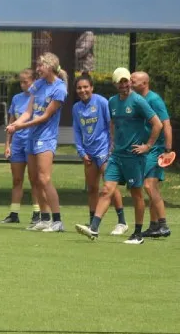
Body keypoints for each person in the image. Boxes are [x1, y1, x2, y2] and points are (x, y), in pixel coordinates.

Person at [75, 67, 162, 244]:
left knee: (136, 193)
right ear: (115, 84)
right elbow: (113, 123)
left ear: (130, 81)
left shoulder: (138, 101)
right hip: (116, 155)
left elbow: (157, 124)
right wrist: (113, 142)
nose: (123, 85)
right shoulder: (112, 102)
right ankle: (94, 228)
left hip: (134, 156)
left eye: (126, 81)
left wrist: (147, 146)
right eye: (120, 82)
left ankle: (137, 234)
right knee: (106, 189)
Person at [6, 52, 69, 232]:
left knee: (44, 178)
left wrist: (19, 127)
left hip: (46, 138)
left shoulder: (59, 89)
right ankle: (44, 218)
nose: (38, 69)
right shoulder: (39, 85)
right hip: (32, 137)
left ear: (49, 66)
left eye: (41, 65)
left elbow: (44, 117)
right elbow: (28, 112)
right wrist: (15, 124)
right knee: (35, 180)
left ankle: (57, 221)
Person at [72, 73, 128, 236]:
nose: (83, 91)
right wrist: (81, 151)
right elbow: (76, 130)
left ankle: (122, 222)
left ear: (92, 88)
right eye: (79, 88)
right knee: (92, 188)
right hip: (88, 153)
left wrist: (111, 147)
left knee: (110, 186)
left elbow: (111, 124)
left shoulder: (102, 102)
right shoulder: (76, 108)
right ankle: (92, 223)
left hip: (104, 151)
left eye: (85, 87)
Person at [131, 71, 173, 238]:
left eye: (134, 80)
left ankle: (163, 225)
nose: (130, 82)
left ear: (144, 83)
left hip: (156, 149)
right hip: (145, 149)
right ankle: (154, 226)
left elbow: (166, 124)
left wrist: (168, 149)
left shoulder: (154, 99)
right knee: (151, 187)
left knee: (149, 186)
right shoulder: (136, 99)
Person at [0, 68, 41, 225]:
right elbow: (11, 122)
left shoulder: (37, 98)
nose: (23, 85)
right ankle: (14, 213)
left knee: (34, 179)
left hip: (31, 142)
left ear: (33, 81)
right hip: (17, 143)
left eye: (26, 82)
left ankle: (37, 213)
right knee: (17, 179)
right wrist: (7, 144)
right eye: (21, 82)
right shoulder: (16, 98)